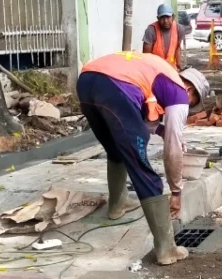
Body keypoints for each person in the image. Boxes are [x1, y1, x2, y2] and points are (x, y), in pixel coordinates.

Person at [77, 51, 211, 265]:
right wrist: (176, 190)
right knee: (144, 170)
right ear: (190, 90)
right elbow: (173, 148)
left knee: (116, 146)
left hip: (87, 80)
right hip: (114, 87)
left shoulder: (159, 73)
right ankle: (166, 250)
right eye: (193, 102)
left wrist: (163, 131)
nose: (189, 107)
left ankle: (117, 205)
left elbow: (143, 119)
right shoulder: (178, 93)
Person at [142, 3, 185, 68]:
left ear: (173, 17)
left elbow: (177, 48)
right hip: (155, 69)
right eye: (162, 18)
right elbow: (146, 56)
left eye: (168, 17)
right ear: (158, 18)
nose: (165, 21)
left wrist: (178, 65)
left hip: (171, 69)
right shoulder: (151, 30)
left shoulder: (179, 29)